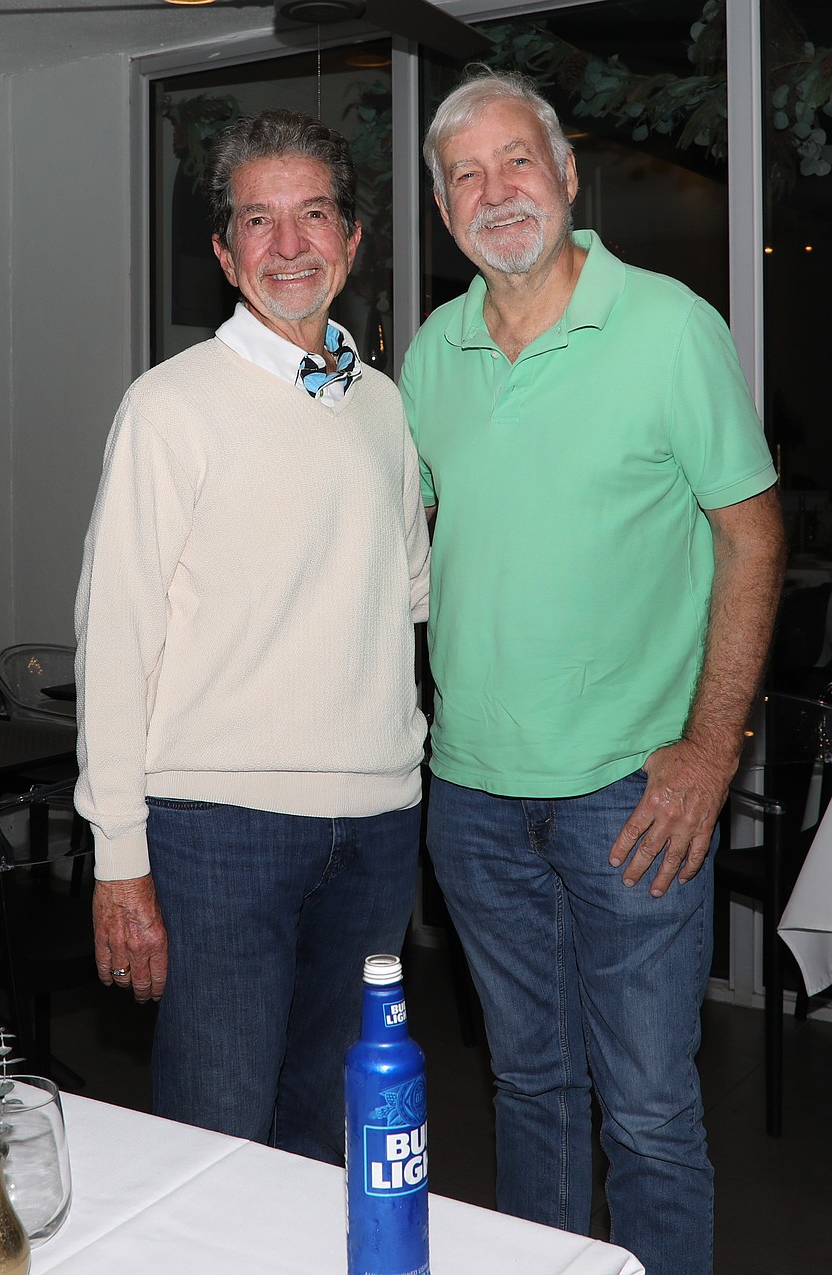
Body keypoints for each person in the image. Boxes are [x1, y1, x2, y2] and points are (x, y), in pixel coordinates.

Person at [399, 70, 785, 1275]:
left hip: (632, 795)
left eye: (518, 161)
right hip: (467, 794)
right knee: (526, 1089)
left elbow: (753, 531)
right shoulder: (432, 353)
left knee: (652, 1112)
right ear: (440, 208)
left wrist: (712, 746)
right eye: (465, 175)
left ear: (567, 175)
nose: (495, 191)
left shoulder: (668, 325)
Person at [74, 108, 430, 1164]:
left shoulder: (382, 406)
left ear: (352, 239)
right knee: (217, 1141)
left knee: (339, 1132)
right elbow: (113, 644)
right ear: (226, 255)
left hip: (374, 827)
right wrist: (118, 860)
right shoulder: (169, 409)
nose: (288, 246)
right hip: (219, 832)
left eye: (312, 214)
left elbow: (406, 595)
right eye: (257, 222)